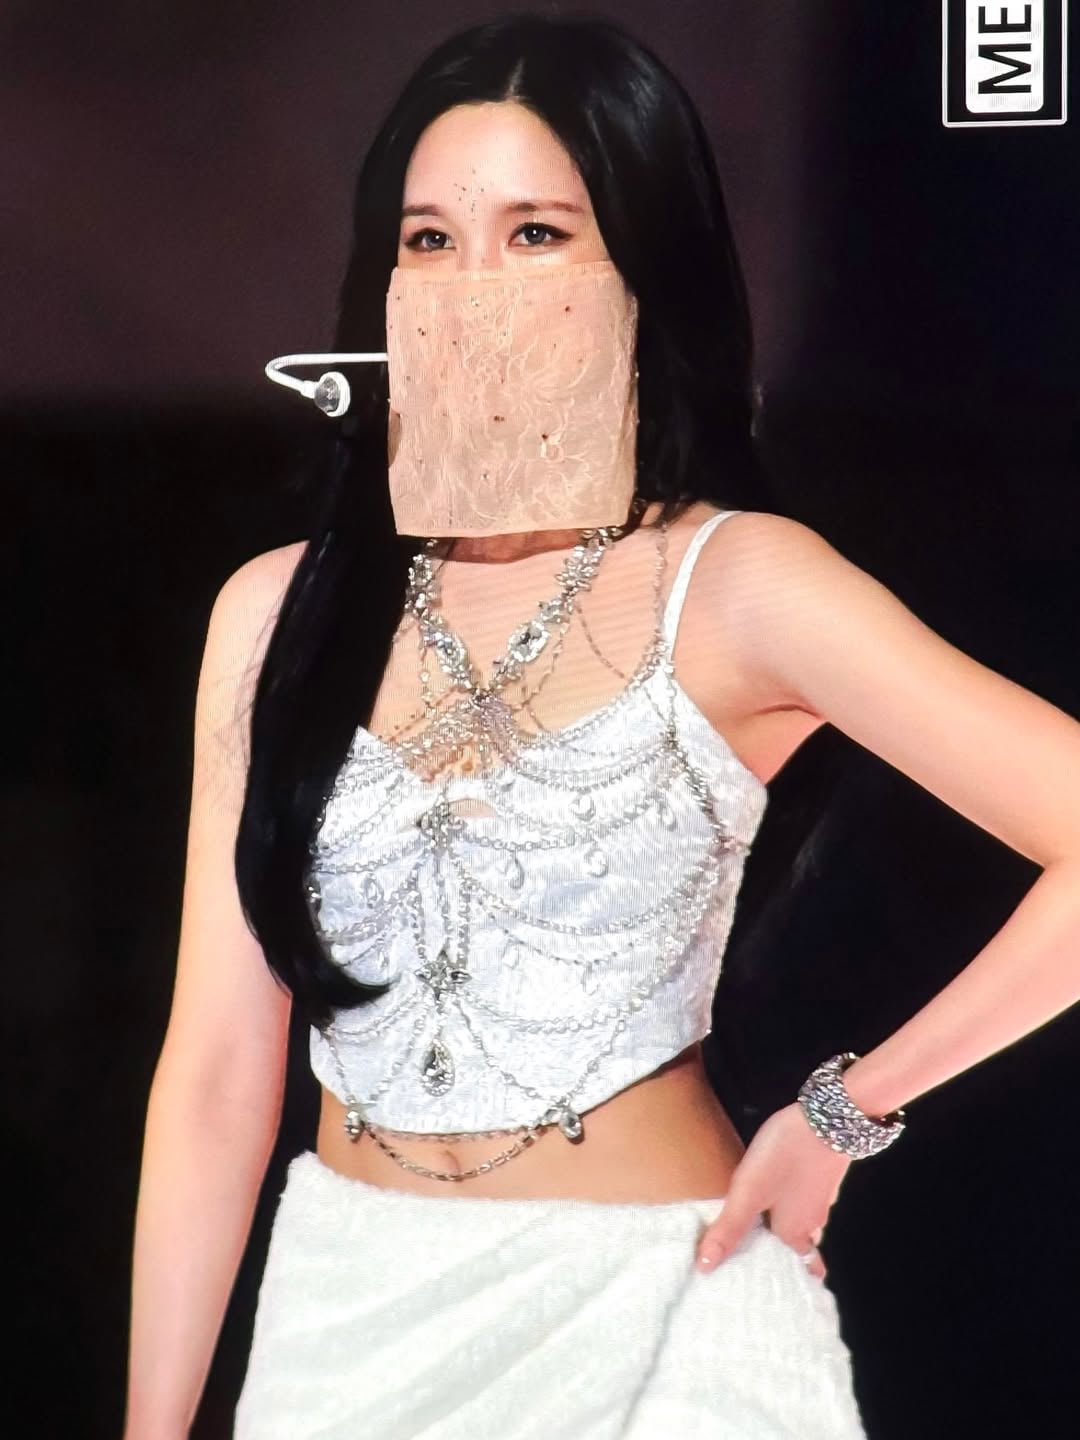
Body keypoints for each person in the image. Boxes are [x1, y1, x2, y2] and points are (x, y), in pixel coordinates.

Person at [124, 13, 1080, 1440]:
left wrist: (845, 1114)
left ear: (642, 268)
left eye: (537, 234)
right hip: (342, 1320)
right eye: (430, 238)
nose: (474, 284)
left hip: (657, 1314)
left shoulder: (738, 585)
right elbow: (214, 1073)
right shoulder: (278, 614)